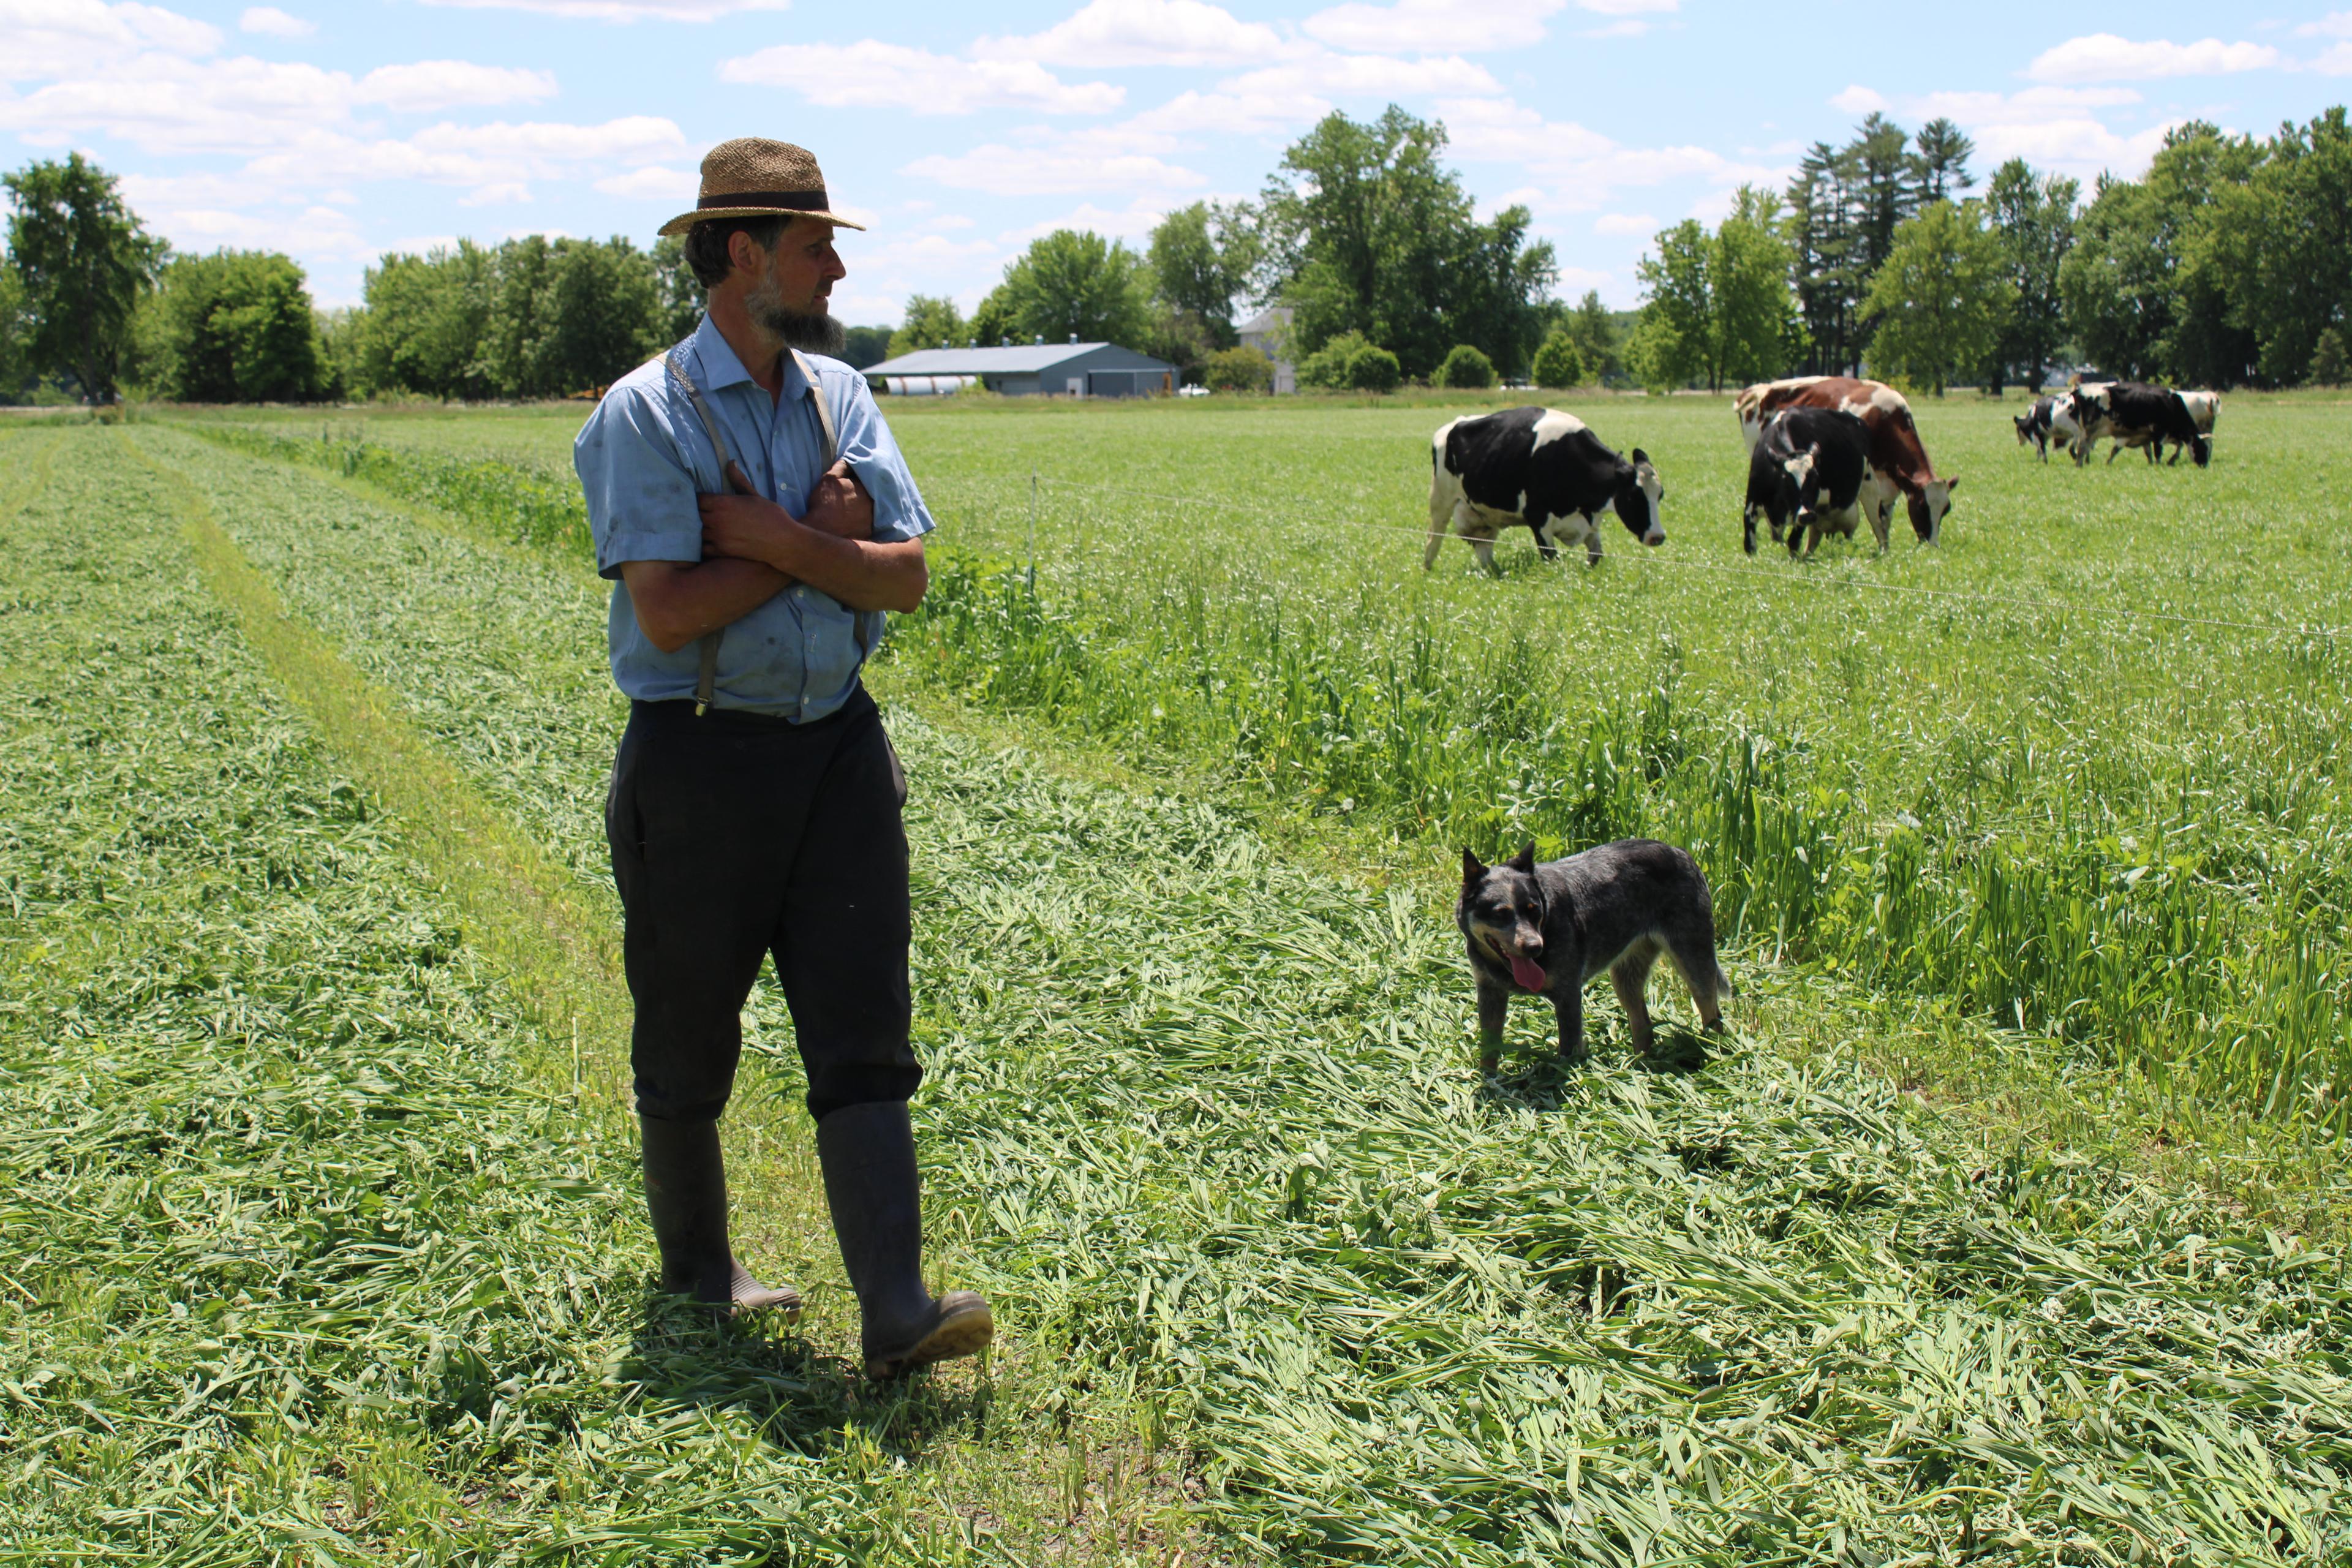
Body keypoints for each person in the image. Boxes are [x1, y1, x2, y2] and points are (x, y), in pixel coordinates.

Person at [574, 137, 991, 1378]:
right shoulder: (644, 412)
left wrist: (762, 539)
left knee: (866, 1027)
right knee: (689, 1033)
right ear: (744, 252)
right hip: (700, 763)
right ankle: (703, 1274)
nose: (837, 275)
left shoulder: (839, 397)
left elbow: (906, 577)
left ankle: (897, 1309)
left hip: (839, 754)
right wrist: (808, 541)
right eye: (818, 247)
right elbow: (669, 612)